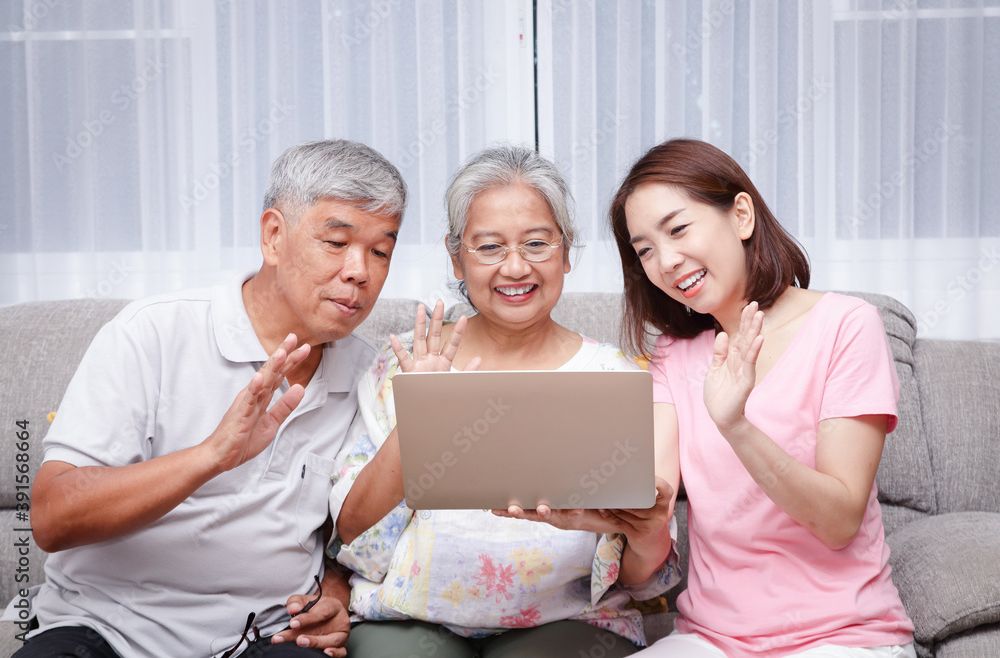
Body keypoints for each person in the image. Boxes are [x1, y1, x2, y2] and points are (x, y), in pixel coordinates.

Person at [3, 139, 408, 658]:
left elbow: (338, 531)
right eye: (336, 242)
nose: (360, 271)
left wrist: (332, 589)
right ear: (274, 236)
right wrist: (211, 456)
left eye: (381, 251)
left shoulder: (369, 373)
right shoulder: (151, 333)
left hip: (267, 635)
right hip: (105, 630)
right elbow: (52, 518)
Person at [327, 144, 679, 657]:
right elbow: (351, 532)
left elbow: (642, 578)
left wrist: (648, 530)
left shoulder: (615, 380)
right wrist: (425, 411)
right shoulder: (406, 359)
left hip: (566, 621)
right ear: (456, 257)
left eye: (537, 243)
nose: (515, 268)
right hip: (412, 619)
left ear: (566, 249)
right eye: (489, 247)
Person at [607, 138, 916, 657]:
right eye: (645, 251)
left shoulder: (846, 326)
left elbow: (839, 522)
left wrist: (737, 427)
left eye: (678, 229)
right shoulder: (672, 355)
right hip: (711, 642)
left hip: (841, 637)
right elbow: (651, 540)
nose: (666, 261)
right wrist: (619, 517)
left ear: (742, 214)